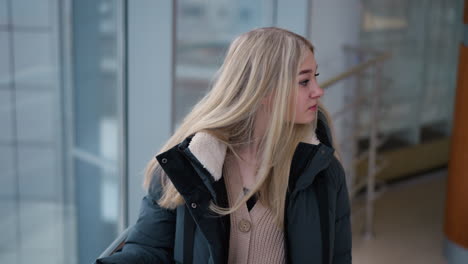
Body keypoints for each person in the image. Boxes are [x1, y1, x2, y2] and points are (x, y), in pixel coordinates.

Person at [96, 27, 352, 264]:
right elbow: (149, 249)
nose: (319, 91)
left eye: (314, 78)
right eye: (304, 81)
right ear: (263, 89)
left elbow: (338, 258)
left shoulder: (324, 173)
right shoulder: (186, 166)